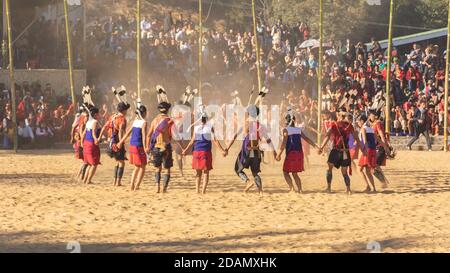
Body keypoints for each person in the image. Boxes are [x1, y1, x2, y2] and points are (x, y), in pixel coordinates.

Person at [226, 105, 277, 196]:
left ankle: (248, 182)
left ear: (249, 113)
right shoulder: (260, 126)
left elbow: (234, 136)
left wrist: (227, 148)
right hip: (256, 152)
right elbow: (268, 140)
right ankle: (260, 191)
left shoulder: (245, 124)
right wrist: (274, 151)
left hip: (247, 151)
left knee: (238, 169)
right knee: (255, 172)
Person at [318, 110, 364, 194]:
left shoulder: (333, 124)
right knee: (344, 172)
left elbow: (327, 137)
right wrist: (362, 149)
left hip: (336, 151)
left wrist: (321, 147)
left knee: (329, 168)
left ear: (339, 116)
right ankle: (348, 189)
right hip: (345, 151)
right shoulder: (349, 126)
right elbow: (357, 138)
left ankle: (328, 188)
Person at [181, 112, 227, 194]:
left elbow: (192, 141)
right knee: (206, 172)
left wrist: (186, 150)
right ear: (207, 119)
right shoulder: (210, 128)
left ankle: (197, 190)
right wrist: (222, 150)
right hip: (205, 152)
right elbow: (215, 141)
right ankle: (203, 191)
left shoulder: (196, 128)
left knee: (198, 172)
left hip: (196, 152)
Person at [276, 113, 318, 193]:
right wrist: (316, 146)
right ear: (294, 121)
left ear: (286, 121)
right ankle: (300, 189)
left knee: (285, 172)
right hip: (299, 153)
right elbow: (307, 139)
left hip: (291, 153)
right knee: (295, 173)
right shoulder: (298, 130)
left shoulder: (286, 130)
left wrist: (279, 154)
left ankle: (292, 188)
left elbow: (284, 143)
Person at [146, 101, 175, 193]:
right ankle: (164, 188)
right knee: (167, 169)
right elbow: (174, 135)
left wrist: (147, 147)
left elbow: (149, 135)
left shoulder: (154, 120)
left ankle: (157, 187)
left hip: (156, 147)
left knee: (157, 168)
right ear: (167, 110)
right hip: (166, 147)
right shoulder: (170, 121)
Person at [118, 104, 148, 191]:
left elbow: (127, 134)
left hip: (132, 146)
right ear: (144, 113)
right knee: (142, 166)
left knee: (136, 167)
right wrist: (145, 147)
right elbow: (144, 136)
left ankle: (132, 185)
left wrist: (120, 142)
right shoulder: (144, 123)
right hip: (139, 146)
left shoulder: (135, 121)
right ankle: (137, 186)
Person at [101, 102, 130, 186]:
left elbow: (104, 127)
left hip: (111, 141)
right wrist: (121, 142)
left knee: (117, 161)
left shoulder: (113, 116)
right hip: (117, 141)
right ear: (124, 110)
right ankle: (118, 182)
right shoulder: (122, 119)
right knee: (122, 162)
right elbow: (120, 130)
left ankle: (115, 181)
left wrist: (100, 137)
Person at [369, 110, 391, 188]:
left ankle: (383, 181)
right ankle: (384, 181)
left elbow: (381, 135)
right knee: (376, 166)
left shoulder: (377, 124)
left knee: (374, 166)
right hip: (377, 147)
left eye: (371, 115)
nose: (369, 117)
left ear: (375, 116)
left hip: (380, 147)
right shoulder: (374, 124)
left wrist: (385, 146)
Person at [81, 107, 102, 185]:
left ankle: (85, 180)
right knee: (94, 164)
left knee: (89, 164)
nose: (99, 115)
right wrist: (96, 139)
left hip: (86, 142)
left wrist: (81, 143)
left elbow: (83, 133)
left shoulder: (88, 122)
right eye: (98, 114)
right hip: (91, 143)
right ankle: (88, 180)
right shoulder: (95, 122)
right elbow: (93, 132)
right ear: (96, 114)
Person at [357, 115, 377, 192]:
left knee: (360, 169)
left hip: (367, 149)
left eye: (358, 121)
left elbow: (365, 141)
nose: (358, 123)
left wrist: (364, 151)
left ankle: (367, 186)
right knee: (368, 171)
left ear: (362, 121)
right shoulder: (371, 129)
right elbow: (377, 139)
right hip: (373, 149)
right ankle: (374, 188)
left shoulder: (363, 128)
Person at [71, 106, 89, 181]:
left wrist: (72, 137)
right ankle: (81, 177)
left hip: (78, 140)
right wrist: (82, 140)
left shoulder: (79, 117)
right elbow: (81, 128)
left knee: (85, 161)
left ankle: (79, 176)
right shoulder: (84, 117)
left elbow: (73, 127)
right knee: (86, 161)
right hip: (81, 141)